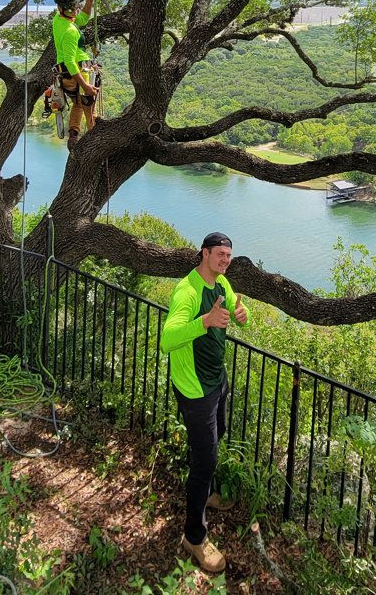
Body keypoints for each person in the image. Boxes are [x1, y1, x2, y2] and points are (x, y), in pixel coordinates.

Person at [160, 231, 248, 574]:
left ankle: (206, 490)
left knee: (217, 434)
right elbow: (168, 339)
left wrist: (241, 314)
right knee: (205, 459)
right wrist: (205, 321)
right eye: (220, 254)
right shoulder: (187, 291)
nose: (225, 259)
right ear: (204, 254)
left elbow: (236, 309)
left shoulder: (221, 283)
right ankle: (194, 537)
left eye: (229, 255)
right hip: (194, 389)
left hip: (216, 380)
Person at [49, 0, 101, 149]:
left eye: (76, 8)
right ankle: (96, 144)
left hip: (66, 76)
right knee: (89, 108)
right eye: (73, 9)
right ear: (63, 9)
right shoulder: (70, 31)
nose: (76, 12)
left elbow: (83, 18)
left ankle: (73, 136)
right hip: (79, 73)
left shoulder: (58, 20)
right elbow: (70, 62)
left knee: (78, 104)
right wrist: (86, 86)